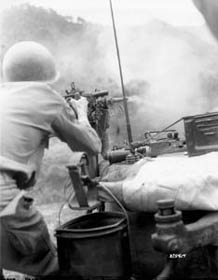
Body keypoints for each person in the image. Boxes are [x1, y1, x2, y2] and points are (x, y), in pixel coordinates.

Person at [0, 41, 101, 278]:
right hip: (3, 201)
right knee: (56, 269)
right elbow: (92, 146)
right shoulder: (46, 98)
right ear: (45, 75)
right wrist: (81, 113)